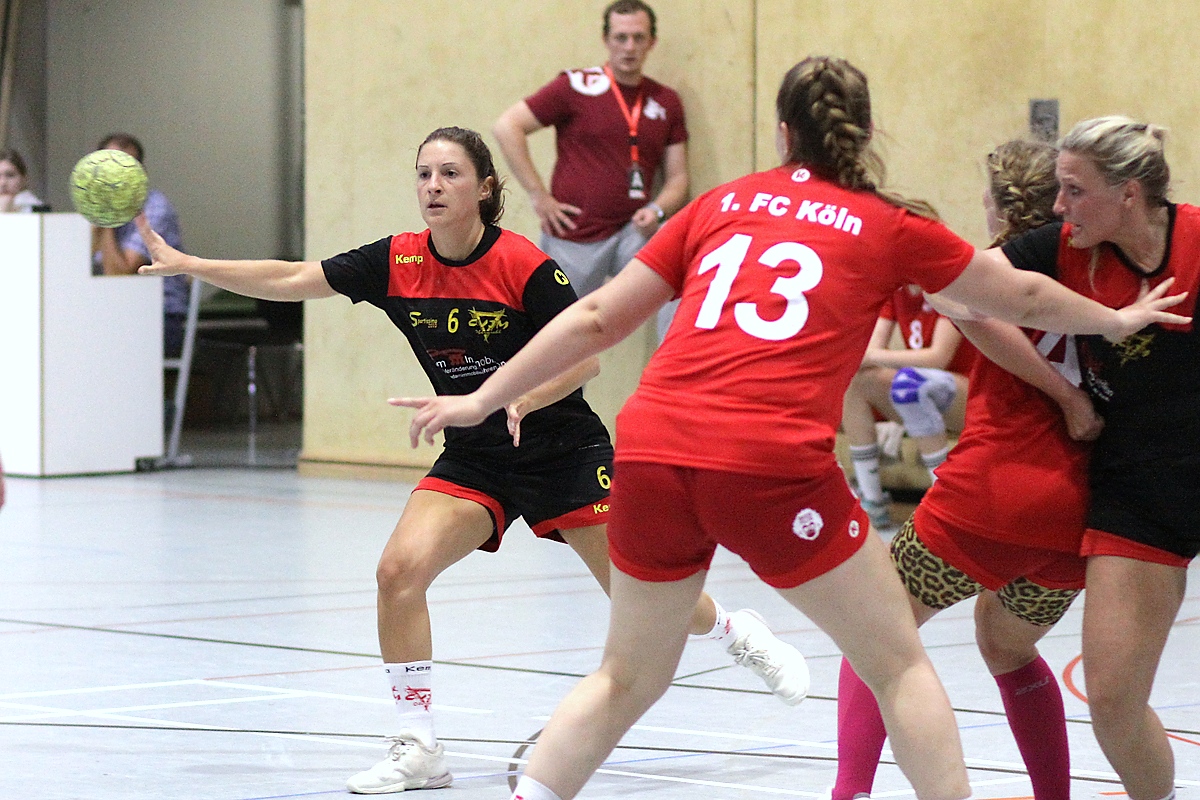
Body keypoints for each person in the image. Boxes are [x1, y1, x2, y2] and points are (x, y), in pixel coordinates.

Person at [394, 60, 1186, 800]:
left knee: (623, 678)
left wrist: (480, 398)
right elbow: (1022, 298)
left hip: (654, 449)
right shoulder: (888, 223)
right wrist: (1115, 320)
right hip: (767, 461)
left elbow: (598, 316)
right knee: (899, 665)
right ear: (865, 134)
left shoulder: (719, 204)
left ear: (781, 134)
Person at [136, 125, 809, 795]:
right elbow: (292, 276)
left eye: (450, 174)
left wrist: (520, 398)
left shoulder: (524, 266)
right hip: (477, 454)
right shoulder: (397, 260)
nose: (433, 186)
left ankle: (735, 632)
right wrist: (194, 265)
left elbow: (587, 361)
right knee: (399, 572)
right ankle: (418, 746)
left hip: (562, 452)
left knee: (642, 597)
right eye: (424, 174)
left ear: (484, 188)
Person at [833, 139, 1095, 800]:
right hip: (1078, 511)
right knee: (1007, 646)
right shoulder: (1098, 276)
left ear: (999, 205)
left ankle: (849, 792)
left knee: (874, 630)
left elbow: (957, 301)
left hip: (996, 492)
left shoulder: (989, 273)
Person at [974, 116, 1198, 800]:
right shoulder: (1061, 249)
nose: (1057, 205)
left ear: (1128, 194)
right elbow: (957, 296)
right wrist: (1066, 393)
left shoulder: (1195, 240)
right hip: (1140, 492)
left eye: (1074, 190)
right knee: (1111, 700)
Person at [493, 0, 687, 338]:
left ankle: (676, 367)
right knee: (557, 334)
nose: (629, 47)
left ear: (652, 42)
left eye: (638, 38)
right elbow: (508, 126)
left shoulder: (665, 101)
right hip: (576, 234)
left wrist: (657, 210)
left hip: (634, 232)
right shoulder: (576, 86)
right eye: (621, 37)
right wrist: (539, 197)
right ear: (606, 39)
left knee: (681, 273)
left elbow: (678, 178)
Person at [841, 283, 976, 526]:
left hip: (969, 393)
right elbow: (870, 349)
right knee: (855, 379)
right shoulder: (896, 292)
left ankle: (948, 505)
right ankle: (872, 501)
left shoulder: (947, 286)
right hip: (922, 383)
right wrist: (865, 357)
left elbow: (938, 358)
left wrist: (871, 356)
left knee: (910, 384)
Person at [91, 133, 189, 359]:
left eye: (126, 166)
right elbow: (75, 268)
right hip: (114, 310)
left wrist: (105, 218)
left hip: (160, 316)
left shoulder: (155, 208)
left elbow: (120, 275)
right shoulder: (94, 203)